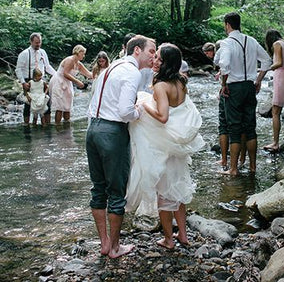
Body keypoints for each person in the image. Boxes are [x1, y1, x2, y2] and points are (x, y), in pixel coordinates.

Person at [126, 43, 204, 250]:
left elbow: (163, 116)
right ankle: (183, 235)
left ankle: (169, 239)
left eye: (159, 58)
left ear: (167, 62)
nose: (155, 61)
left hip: (165, 143)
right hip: (176, 144)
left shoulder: (161, 86)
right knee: (178, 186)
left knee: (165, 192)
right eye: (155, 56)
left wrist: (143, 106)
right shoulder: (181, 82)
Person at [86, 35, 156, 258]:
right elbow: (125, 112)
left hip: (92, 130)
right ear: (137, 51)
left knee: (98, 189)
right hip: (112, 133)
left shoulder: (112, 67)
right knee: (116, 191)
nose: (154, 56)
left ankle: (104, 243)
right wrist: (140, 110)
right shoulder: (132, 72)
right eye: (151, 51)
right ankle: (115, 248)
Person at [217, 12, 272, 176]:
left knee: (234, 128)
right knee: (250, 127)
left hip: (234, 88)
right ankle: (253, 167)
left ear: (227, 24)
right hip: (250, 87)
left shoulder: (226, 43)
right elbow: (267, 60)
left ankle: (233, 169)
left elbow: (224, 65)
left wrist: (224, 84)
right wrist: (259, 80)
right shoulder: (252, 40)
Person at [15, 32, 56, 125]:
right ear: (31, 42)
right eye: (36, 42)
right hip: (29, 81)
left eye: (40, 42)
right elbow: (18, 70)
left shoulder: (43, 52)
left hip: (42, 80)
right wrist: (23, 82)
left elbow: (47, 66)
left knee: (46, 101)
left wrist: (57, 75)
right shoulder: (24, 54)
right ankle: (26, 125)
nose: (38, 44)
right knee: (28, 104)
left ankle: (47, 125)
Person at [49, 45, 92, 124]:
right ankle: (57, 125)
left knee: (67, 105)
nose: (84, 55)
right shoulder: (69, 60)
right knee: (60, 107)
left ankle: (66, 124)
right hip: (59, 82)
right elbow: (65, 73)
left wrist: (99, 74)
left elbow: (89, 74)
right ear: (78, 53)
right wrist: (77, 82)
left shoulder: (79, 64)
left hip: (67, 83)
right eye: (83, 53)